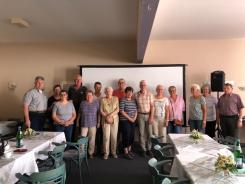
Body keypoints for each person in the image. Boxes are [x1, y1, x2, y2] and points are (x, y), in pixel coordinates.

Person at [76, 90, 100, 158]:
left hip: (93, 124)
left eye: (90, 95)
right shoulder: (82, 103)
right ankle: (81, 153)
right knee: (82, 139)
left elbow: (98, 114)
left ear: (92, 96)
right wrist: (77, 121)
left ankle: (90, 153)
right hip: (84, 124)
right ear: (85, 96)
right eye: (87, 95)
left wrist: (98, 122)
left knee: (92, 139)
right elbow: (79, 113)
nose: (89, 97)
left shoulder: (96, 103)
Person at [135, 80, 154, 157]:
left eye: (144, 85)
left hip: (148, 115)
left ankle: (149, 149)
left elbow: (152, 106)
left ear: (146, 86)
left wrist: (151, 117)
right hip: (140, 116)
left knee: (149, 133)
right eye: (141, 85)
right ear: (139, 86)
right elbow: (134, 106)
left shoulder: (150, 94)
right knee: (141, 133)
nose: (143, 86)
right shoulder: (135, 95)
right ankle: (143, 149)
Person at [100, 87, 119, 160]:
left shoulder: (116, 98)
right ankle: (106, 153)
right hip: (105, 119)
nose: (108, 92)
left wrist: (110, 116)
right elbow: (101, 110)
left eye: (110, 91)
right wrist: (107, 117)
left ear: (112, 92)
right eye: (107, 91)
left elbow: (117, 109)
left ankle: (113, 152)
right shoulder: (102, 99)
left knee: (114, 137)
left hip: (114, 119)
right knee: (106, 137)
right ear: (105, 92)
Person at [119, 87, 137, 160]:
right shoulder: (123, 100)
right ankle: (125, 152)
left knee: (132, 135)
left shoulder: (133, 101)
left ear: (132, 93)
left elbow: (136, 110)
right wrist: (130, 119)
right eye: (128, 92)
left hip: (133, 120)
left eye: (131, 92)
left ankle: (129, 150)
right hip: (125, 121)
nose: (129, 93)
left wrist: (134, 118)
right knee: (126, 135)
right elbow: (121, 111)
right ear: (125, 93)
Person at [68, 74, 87, 140]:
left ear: (81, 81)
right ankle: (72, 143)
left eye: (79, 80)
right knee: (73, 127)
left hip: (82, 112)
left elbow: (86, 100)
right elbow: (68, 100)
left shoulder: (84, 89)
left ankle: (80, 143)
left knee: (81, 128)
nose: (77, 81)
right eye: (76, 80)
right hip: (72, 112)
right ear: (74, 81)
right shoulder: (71, 89)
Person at [93, 81, 103, 155]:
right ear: (94, 87)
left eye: (99, 87)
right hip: (94, 117)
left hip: (103, 117)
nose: (98, 88)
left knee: (102, 133)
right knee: (95, 134)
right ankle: (95, 149)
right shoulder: (91, 96)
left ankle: (102, 149)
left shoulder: (103, 96)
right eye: (96, 87)